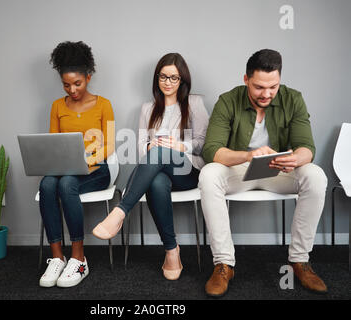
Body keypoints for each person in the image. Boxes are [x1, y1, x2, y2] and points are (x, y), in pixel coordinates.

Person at [199, 49, 328, 297]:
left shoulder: (293, 99)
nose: (267, 94)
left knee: (315, 175)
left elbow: (307, 148)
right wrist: (248, 155)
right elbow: (212, 150)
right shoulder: (227, 100)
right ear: (246, 79)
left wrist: (296, 158)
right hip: (239, 169)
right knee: (209, 174)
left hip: (278, 171)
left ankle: (299, 261)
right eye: (259, 87)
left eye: (273, 87)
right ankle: (224, 264)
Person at [92, 53, 209, 280]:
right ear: (157, 78)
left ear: (182, 81)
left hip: (187, 171)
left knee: (162, 151)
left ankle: (120, 211)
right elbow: (139, 149)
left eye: (174, 78)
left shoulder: (194, 103)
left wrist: (178, 145)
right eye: (163, 77)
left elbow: (203, 145)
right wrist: (151, 148)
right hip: (157, 172)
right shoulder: (147, 108)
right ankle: (171, 251)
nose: (167, 82)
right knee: (156, 181)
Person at [38, 41, 115, 288]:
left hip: (98, 170)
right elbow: (54, 144)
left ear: (88, 78)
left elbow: (111, 146)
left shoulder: (104, 104)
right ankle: (57, 257)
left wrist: (85, 160)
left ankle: (79, 258)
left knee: (67, 183)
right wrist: (63, 163)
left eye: (77, 83)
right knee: (48, 184)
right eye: (66, 84)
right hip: (65, 171)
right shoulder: (57, 107)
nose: (72, 89)